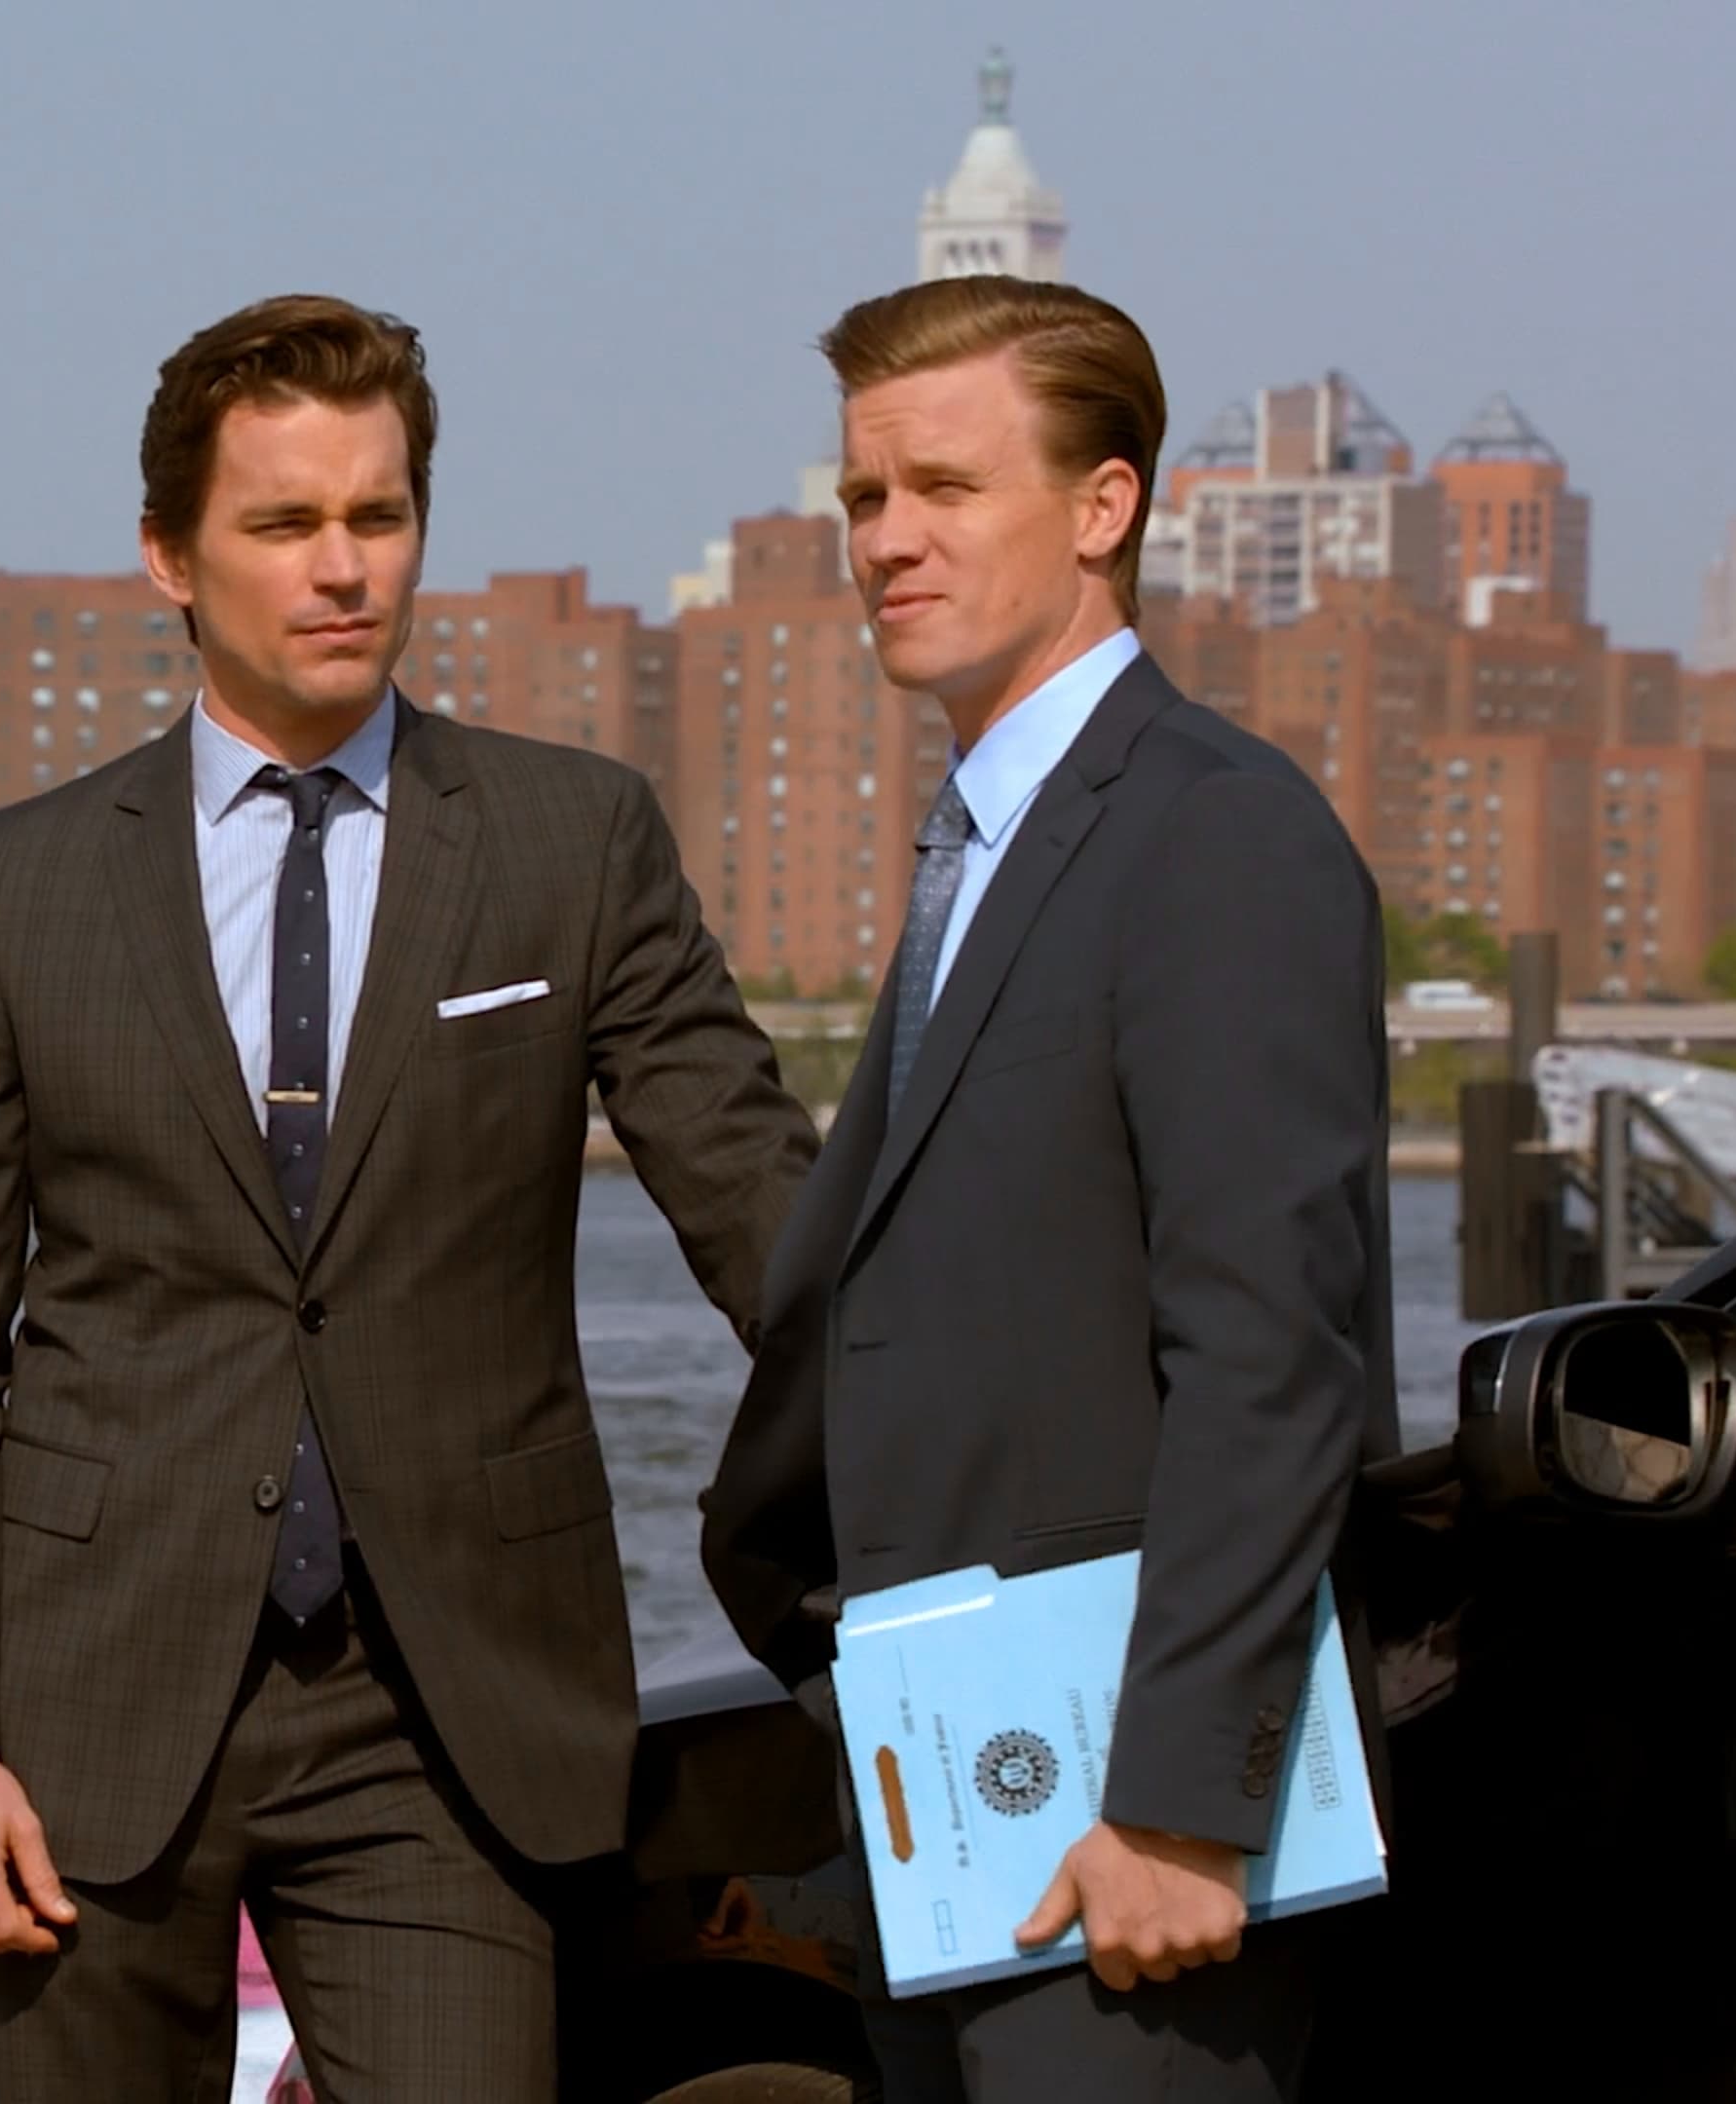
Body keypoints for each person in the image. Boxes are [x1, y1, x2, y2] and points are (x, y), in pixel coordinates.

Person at [0, 292, 817, 2098]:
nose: (343, 566)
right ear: (171, 555)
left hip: (451, 1716)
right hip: (84, 1708)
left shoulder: (572, 838)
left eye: (379, 514)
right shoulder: (17, 889)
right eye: (285, 522)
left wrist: (1003, 1465)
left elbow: (765, 1208)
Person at [698, 275, 1398, 2100]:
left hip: (1130, 1858)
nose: (885, 540)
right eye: (865, 496)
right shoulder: (988, 852)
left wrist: (1181, 1804)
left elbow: (1270, 1353)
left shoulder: (1213, 831)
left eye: (945, 487)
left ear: (1105, 507)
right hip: (947, 1826)